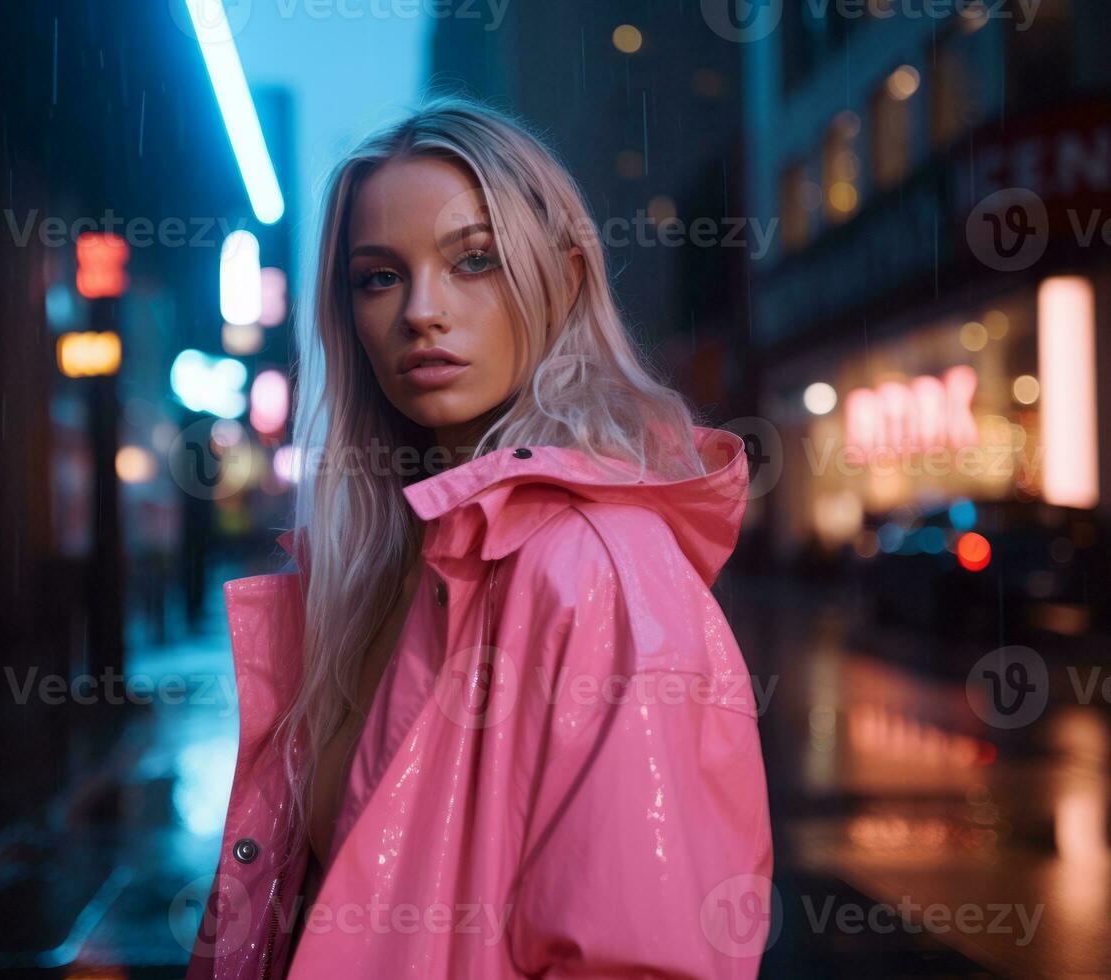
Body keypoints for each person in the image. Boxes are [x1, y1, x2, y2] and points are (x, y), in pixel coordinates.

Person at [187, 97, 773, 979]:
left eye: (474, 262)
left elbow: (637, 960)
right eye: (377, 276)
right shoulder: (374, 572)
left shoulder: (595, 567)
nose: (421, 310)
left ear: (564, 281)